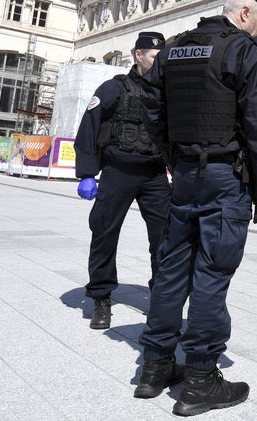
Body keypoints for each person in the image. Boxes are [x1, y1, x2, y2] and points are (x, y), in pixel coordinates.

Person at [134, 0, 257, 416]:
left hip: (184, 176)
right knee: (212, 274)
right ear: (243, 13)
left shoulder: (176, 48)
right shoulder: (245, 52)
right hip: (224, 179)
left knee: (171, 269)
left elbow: (152, 110)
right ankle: (201, 377)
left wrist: (175, 158)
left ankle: (155, 366)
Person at [74, 31, 170, 330]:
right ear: (138, 55)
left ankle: (162, 297)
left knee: (166, 237)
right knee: (104, 233)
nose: (158, 64)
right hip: (118, 171)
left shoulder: (168, 92)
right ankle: (102, 298)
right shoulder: (113, 88)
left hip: (154, 173)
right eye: (154, 57)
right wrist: (88, 173)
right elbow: (89, 127)